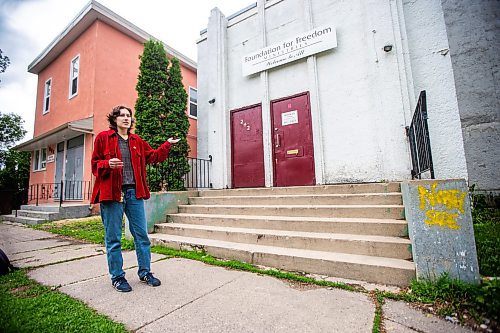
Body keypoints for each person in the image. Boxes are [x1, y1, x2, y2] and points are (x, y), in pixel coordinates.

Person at [91, 105, 179, 292]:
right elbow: (94, 165)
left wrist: (167, 144)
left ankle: (145, 272)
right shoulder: (103, 138)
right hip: (112, 195)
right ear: (114, 119)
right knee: (113, 238)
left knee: (142, 236)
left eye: (128, 115)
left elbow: (153, 157)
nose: (125, 118)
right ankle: (117, 277)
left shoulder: (136, 140)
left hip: (134, 194)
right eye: (121, 115)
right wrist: (107, 164)